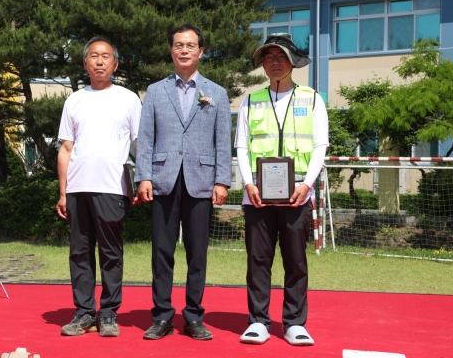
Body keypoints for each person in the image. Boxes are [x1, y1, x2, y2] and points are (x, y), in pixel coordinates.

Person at [135, 24, 232, 341]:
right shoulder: (155, 91)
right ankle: (162, 316)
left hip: (201, 181)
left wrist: (222, 181)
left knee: (197, 253)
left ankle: (193, 316)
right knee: (161, 251)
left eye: (191, 45)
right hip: (162, 180)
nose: (185, 50)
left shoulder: (216, 93)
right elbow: (146, 139)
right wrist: (144, 176)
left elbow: (223, 142)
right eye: (179, 45)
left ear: (201, 51)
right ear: (171, 50)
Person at [234, 33, 328, 346]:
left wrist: (307, 184)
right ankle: (258, 321)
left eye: (281, 56)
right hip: (257, 196)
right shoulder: (250, 100)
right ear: (263, 63)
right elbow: (241, 147)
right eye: (269, 57)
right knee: (257, 261)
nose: (275, 62)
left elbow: (319, 146)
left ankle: (294, 323)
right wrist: (248, 183)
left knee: (295, 261)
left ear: (292, 62)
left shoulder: (312, 98)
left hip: (298, 195)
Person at [56, 36, 141, 338]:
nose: (100, 61)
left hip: (112, 187)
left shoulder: (129, 99)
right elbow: (66, 148)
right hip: (78, 188)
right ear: (85, 63)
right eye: (94, 56)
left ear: (115, 64)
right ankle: (83, 313)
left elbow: (138, 143)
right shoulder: (74, 100)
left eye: (106, 56)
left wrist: (143, 180)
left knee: (110, 252)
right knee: (79, 252)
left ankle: (108, 313)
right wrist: (63, 192)